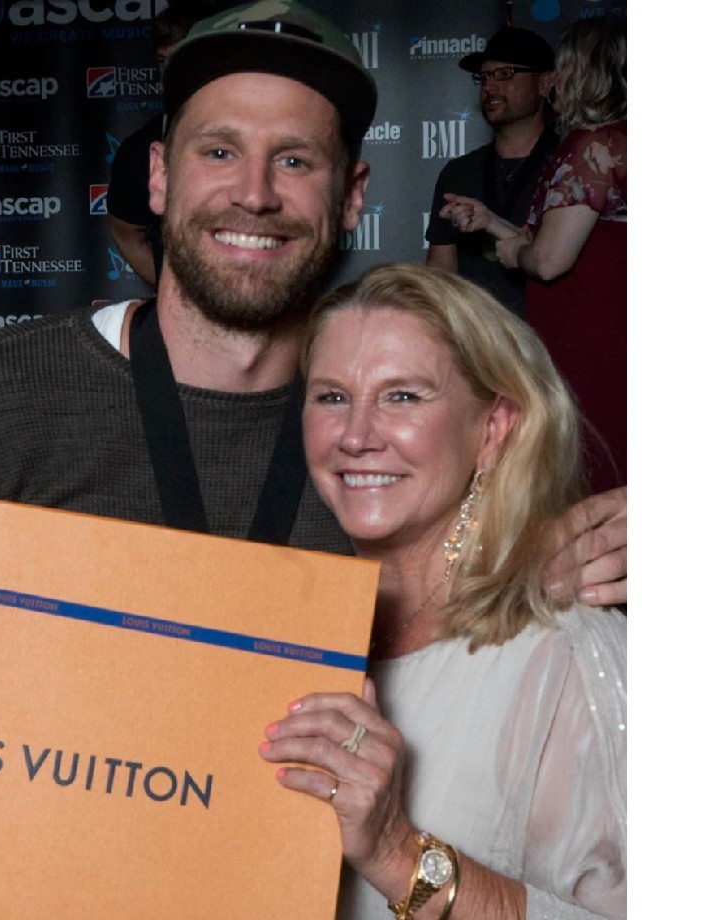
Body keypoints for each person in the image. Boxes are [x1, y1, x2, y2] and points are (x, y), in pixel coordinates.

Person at [0, 1, 626, 606]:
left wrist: (539, 584)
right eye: (219, 152)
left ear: (352, 196)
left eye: (295, 160)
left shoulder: (401, 440)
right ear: (158, 176)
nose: (254, 193)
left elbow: (469, 616)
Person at [260, 262, 624, 919]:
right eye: (332, 397)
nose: (356, 436)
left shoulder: (566, 655)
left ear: (494, 429)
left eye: (402, 396)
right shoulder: (282, 636)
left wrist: (397, 852)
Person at [445, 16, 626, 495]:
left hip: (588, 344)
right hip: (598, 338)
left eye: (566, 68)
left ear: (592, 73)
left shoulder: (592, 146)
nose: (557, 80)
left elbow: (547, 261)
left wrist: (516, 256)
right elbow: (565, 239)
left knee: (588, 478)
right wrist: (491, 222)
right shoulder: (614, 141)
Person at [425, 26, 558, 318]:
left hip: (550, 338)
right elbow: (440, 277)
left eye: (505, 74)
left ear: (544, 83)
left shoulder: (570, 166)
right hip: (478, 340)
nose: (490, 86)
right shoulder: (458, 172)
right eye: (484, 77)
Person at [106, 0, 239, 287]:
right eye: (164, 61)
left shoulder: (264, 130)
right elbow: (126, 233)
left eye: (185, 58)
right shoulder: (140, 149)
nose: (172, 73)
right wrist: (178, 295)